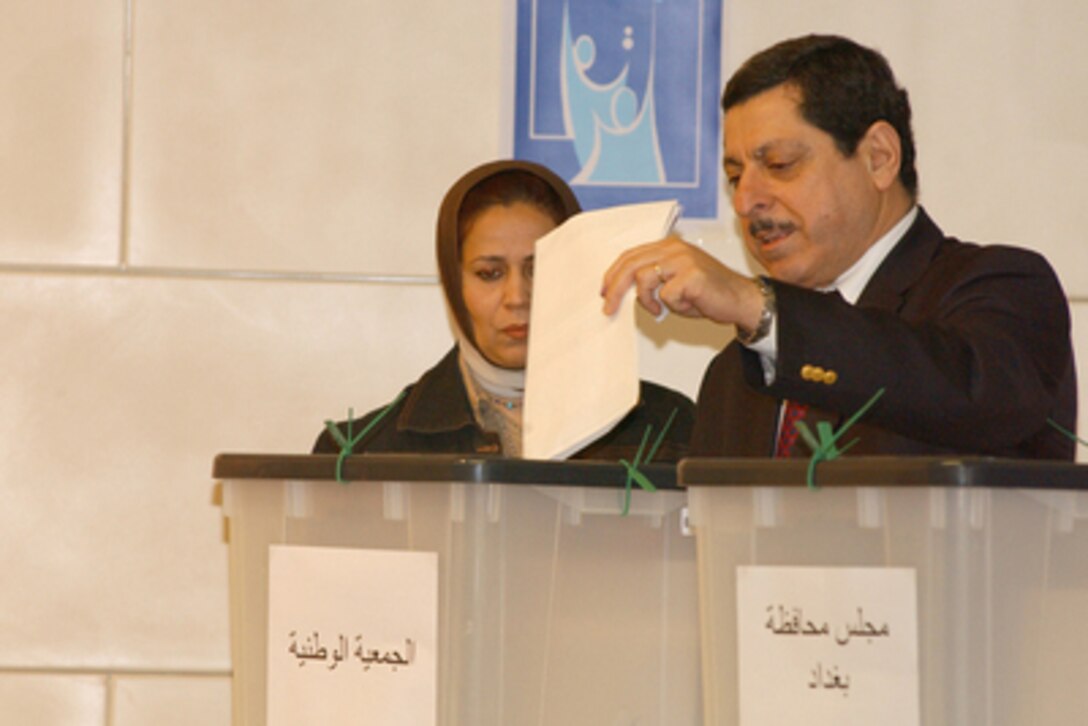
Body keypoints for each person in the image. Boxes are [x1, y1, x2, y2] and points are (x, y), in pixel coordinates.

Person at [601, 34, 1076, 459]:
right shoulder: (737, 374)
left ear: (878, 157)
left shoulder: (1002, 289)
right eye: (734, 177)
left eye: (781, 164)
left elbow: (973, 401)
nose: (746, 201)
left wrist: (759, 307)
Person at [315, 159, 695, 461]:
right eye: (489, 273)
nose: (517, 297)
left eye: (540, 268)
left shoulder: (670, 431)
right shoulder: (362, 452)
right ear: (453, 282)